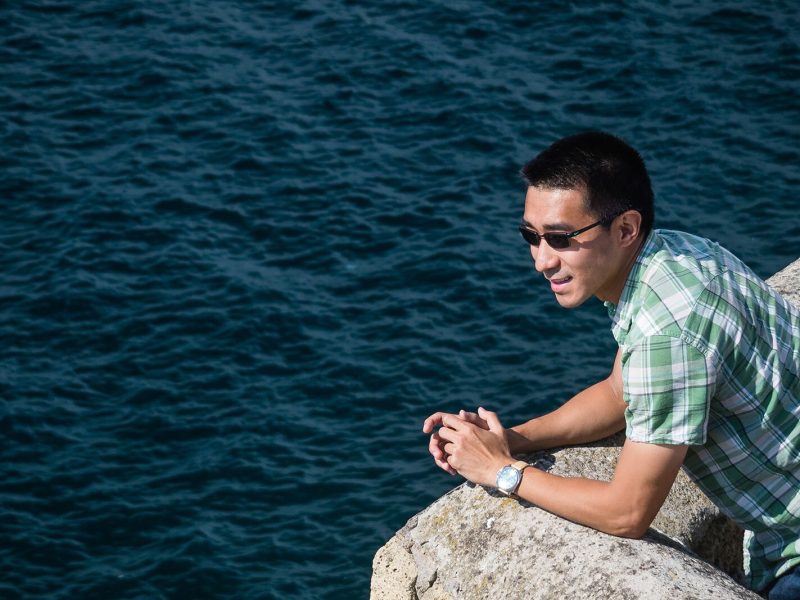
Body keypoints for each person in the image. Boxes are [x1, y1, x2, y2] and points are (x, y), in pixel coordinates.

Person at [422, 132, 800, 598]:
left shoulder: (666, 334)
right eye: (531, 236)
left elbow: (627, 513)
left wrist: (503, 473)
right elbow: (620, 393)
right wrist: (512, 439)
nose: (541, 260)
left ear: (625, 229)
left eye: (561, 239)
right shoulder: (677, 256)